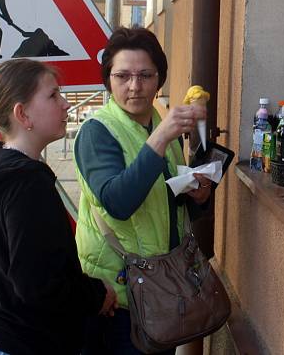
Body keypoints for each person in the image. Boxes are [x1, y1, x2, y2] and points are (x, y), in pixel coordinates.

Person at [0, 59, 116, 355]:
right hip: (16, 343)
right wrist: (96, 296)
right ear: (22, 113)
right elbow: (38, 285)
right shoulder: (26, 184)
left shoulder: (4, 166)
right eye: (53, 95)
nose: (66, 104)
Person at [74, 27, 212, 354]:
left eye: (145, 75)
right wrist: (161, 138)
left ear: (159, 79)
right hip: (117, 296)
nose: (134, 87)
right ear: (108, 80)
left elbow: (167, 200)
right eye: (122, 76)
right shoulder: (98, 132)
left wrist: (199, 198)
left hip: (162, 287)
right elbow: (117, 202)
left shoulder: (159, 122)